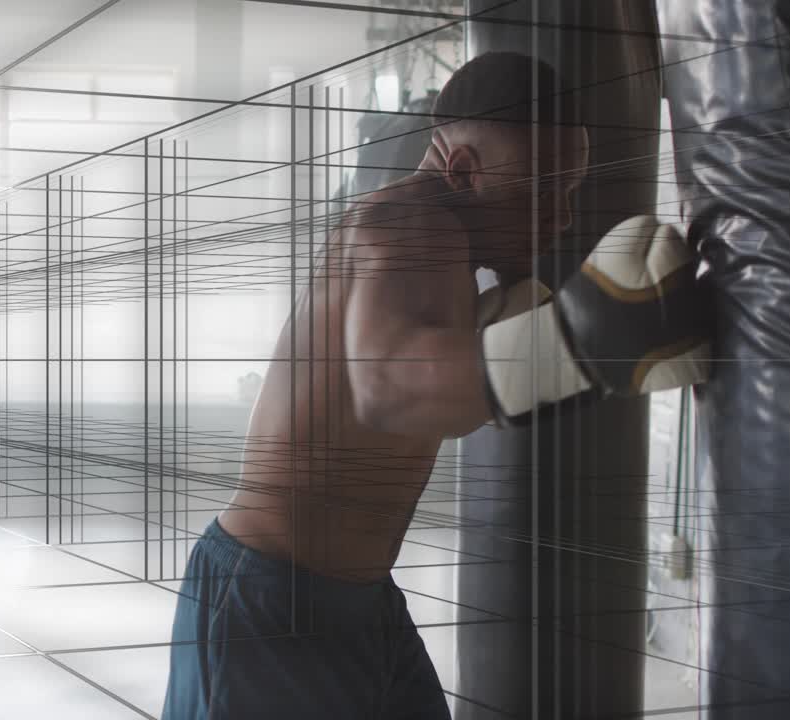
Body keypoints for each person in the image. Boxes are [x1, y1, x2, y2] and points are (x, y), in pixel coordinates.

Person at [162, 51, 589, 719]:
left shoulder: (449, 249)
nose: (561, 218)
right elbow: (390, 391)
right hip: (274, 604)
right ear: (462, 169)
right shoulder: (408, 222)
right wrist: (586, 343)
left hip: (363, 602)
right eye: (542, 191)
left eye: (571, 194)